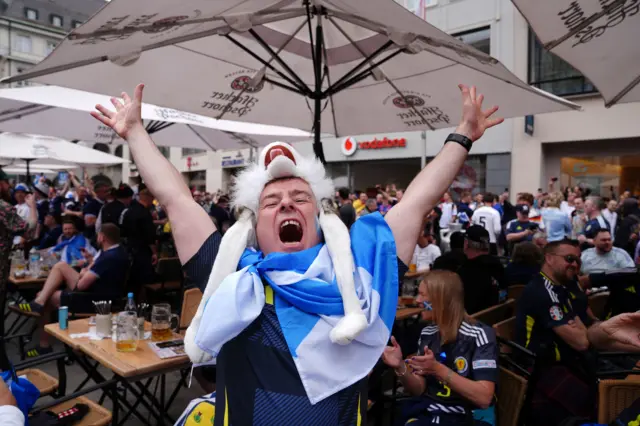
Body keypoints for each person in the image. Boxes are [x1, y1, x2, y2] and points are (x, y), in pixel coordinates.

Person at [90, 82, 503, 424]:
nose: (286, 204)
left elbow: (415, 203)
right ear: (255, 226)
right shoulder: (232, 273)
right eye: (271, 202)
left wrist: (463, 135)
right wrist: (135, 133)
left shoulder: (358, 279)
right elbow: (176, 199)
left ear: (321, 217)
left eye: (300, 198)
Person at [515, 239, 640, 425]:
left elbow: (584, 328)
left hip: (572, 359)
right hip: (541, 366)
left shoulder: (560, 288)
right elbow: (581, 341)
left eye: (578, 260)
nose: (574, 264)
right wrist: (585, 332)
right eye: (569, 258)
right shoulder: (543, 291)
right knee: (602, 396)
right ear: (549, 258)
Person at [381, 270, 498, 426]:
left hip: (467, 417)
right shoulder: (427, 333)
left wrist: (437, 369)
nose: (417, 300)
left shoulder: (479, 335)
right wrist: (400, 366)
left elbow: (484, 398)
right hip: (430, 413)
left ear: (440, 300)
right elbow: (419, 389)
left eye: (423, 295)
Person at [13, 224, 129, 356]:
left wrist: (84, 272)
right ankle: (39, 303)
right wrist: (89, 262)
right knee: (59, 269)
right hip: (103, 293)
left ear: (102, 237)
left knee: (49, 294)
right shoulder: (117, 251)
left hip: (96, 300)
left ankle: (44, 344)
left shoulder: (108, 257)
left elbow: (81, 286)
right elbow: (99, 272)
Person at [0, 170, 37, 295]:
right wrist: (33, 206)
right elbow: (29, 231)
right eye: (7, 183)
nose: (9, 187)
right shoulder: (3, 208)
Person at [457, 226, 502, 314]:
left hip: (471, 322)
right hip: (496, 317)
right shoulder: (499, 265)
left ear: (466, 244)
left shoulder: (465, 270)